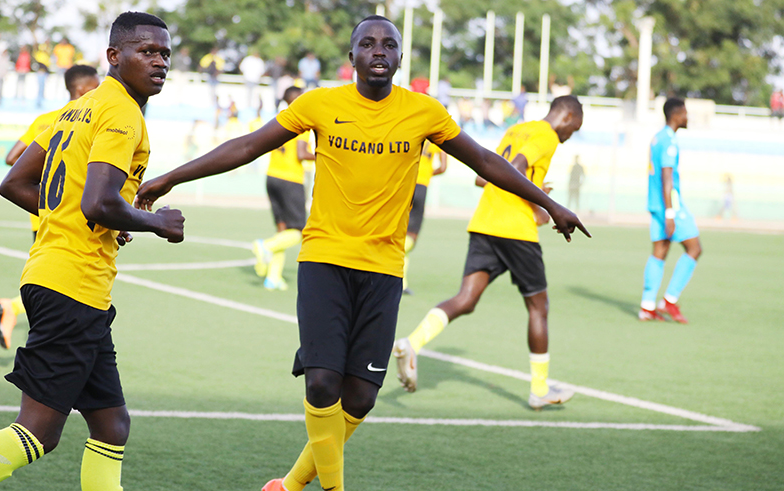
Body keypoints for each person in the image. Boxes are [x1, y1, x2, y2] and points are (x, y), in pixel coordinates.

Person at [134, 15, 587, 491]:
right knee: (321, 383)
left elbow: (487, 162)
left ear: (398, 58)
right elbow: (247, 146)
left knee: (360, 399)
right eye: (367, 44)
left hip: (384, 270)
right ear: (351, 58)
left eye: (388, 45)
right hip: (325, 261)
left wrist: (550, 204)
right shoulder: (321, 104)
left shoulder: (425, 112)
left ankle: (287, 486)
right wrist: (171, 177)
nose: (378, 51)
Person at [0, 12, 184, 491]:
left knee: (111, 425)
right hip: (72, 285)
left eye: (165, 54)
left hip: (63, 279)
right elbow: (99, 201)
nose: (160, 63)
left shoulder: (75, 110)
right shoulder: (121, 112)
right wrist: (157, 221)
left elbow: (16, 183)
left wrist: (91, 217)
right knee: (37, 433)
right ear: (114, 56)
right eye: (147, 52)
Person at [393, 96, 584, 411]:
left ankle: (411, 344)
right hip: (515, 229)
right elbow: (517, 168)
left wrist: (534, 188)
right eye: (573, 129)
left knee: (465, 299)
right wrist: (538, 206)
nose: (569, 136)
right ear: (566, 116)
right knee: (539, 306)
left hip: (484, 223)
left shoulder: (517, 129)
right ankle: (539, 389)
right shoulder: (546, 135)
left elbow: (485, 176)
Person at [0, 64, 101, 351]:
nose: (101, 89)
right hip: (70, 215)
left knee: (46, 280)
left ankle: (22, 318)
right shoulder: (87, 120)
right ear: (81, 90)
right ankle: (21, 320)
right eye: (96, 85)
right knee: (65, 290)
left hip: (40, 212)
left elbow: (12, 158)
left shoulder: (47, 119)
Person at [638, 98, 701, 324]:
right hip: (669, 205)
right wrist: (670, 213)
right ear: (677, 114)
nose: (687, 117)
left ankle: (647, 307)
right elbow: (667, 177)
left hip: (655, 203)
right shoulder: (670, 142)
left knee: (660, 251)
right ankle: (670, 300)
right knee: (694, 248)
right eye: (685, 112)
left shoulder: (657, 138)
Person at [251, 86, 316, 291]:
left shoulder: (278, 119)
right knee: (297, 232)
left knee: (282, 230)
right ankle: (265, 246)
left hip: (272, 177)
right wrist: (323, 155)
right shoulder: (301, 121)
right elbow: (300, 153)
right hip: (291, 180)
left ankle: (273, 277)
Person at [402, 140, 447, 295]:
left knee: (397, 230)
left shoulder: (412, 131)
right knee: (411, 235)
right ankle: (399, 278)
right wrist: (428, 173)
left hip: (404, 182)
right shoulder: (437, 137)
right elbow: (443, 167)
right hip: (421, 186)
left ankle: (400, 280)